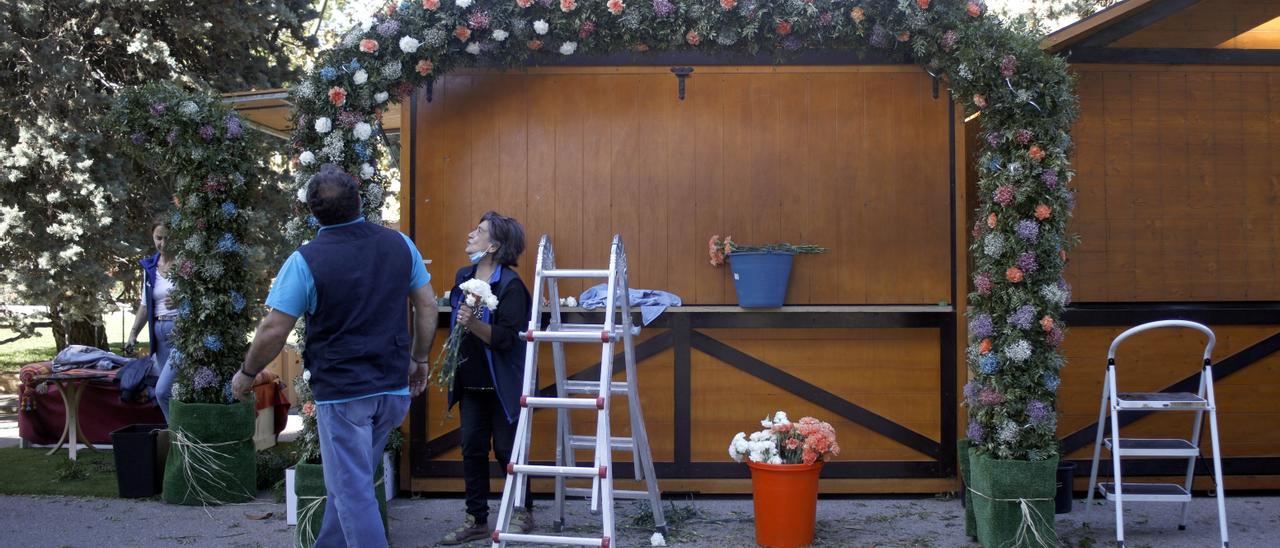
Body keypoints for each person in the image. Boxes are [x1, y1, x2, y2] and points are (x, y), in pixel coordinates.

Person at [233, 164, 437, 548]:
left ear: (312, 213)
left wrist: (247, 372)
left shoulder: (306, 260)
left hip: (344, 393)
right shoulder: (400, 244)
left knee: (352, 490)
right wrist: (420, 359)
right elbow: (426, 306)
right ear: (360, 200)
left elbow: (273, 329)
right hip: (392, 388)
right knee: (350, 483)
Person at [441, 211, 533, 545]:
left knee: (508, 450)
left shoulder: (511, 286)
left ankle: (523, 512)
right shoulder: (463, 275)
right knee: (472, 448)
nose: (470, 234)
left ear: (493, 245)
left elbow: (507, 338)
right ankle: (476, 519)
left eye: (478, 231)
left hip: (501, 383)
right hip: (470, 380)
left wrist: (473, 323)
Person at [125, 214, 178, 419]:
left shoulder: (185, 265)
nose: (163, 244)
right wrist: (133, 333)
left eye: (167, 238)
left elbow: (200, 296)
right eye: (158, 238)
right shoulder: (150, 268)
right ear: (152, 236)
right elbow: (146, 305)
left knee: (163, 391)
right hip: (159, 334)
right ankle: (179, 442)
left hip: (181, 332)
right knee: (171, 393)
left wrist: (183, 300)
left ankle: (178, 439)